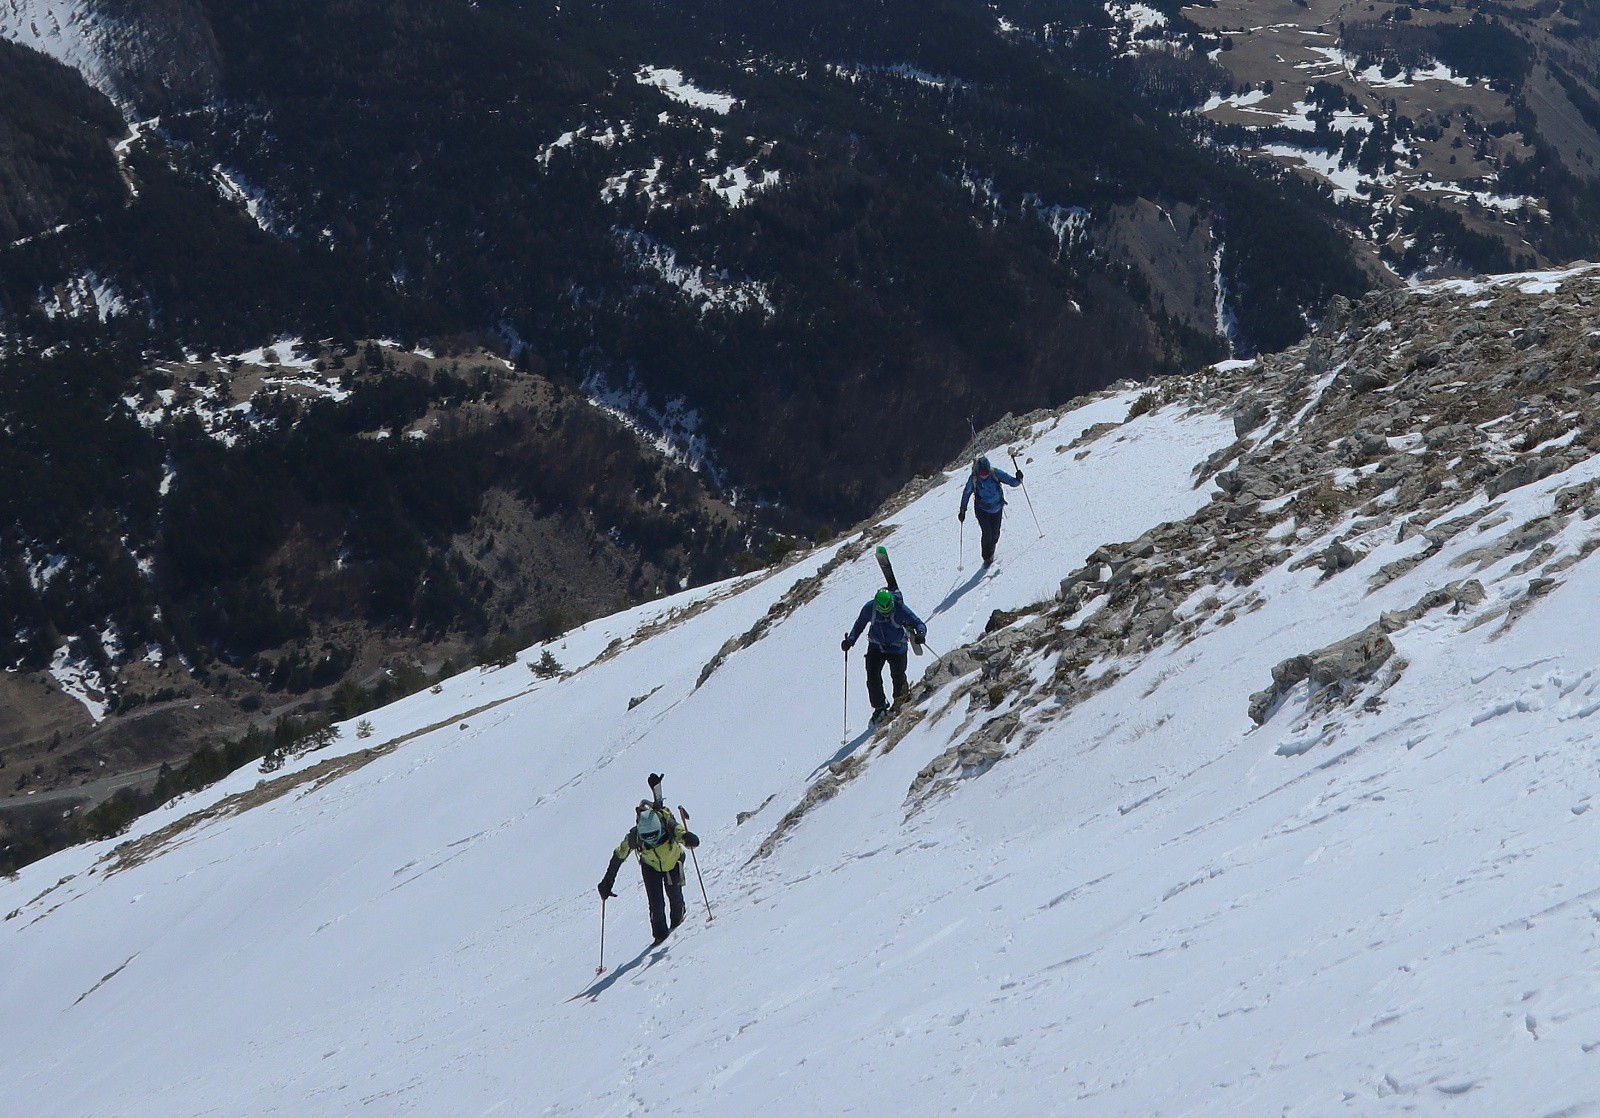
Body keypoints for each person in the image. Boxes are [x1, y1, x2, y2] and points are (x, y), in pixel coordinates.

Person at [598, 787, 700, 945]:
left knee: (674, 893)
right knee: (655, 902)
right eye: (647, 838)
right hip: (650, 867)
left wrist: (688, 838)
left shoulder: (666, 823)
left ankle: (678, 918)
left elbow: (679, 832)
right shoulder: (634, 837)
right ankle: (660, 935)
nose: (651, 841)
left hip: (672, 861)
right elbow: (619, 855)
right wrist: (607, 882)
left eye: (655, 837)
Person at [841, 587, 927, 724]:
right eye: (884, 612)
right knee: (872, 677)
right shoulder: (870, 608)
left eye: (889, 611)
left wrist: (921, 634)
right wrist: (850, 640)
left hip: (896, 648)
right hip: (877, 647)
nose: (887, 615)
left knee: (898, 676)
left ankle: (900, 701)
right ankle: (880, 707)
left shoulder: (900, 608)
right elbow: (859, 625)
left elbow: (918, 623)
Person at [958, 455, 1022, 566]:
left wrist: (1018, 479)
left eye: (985, 473)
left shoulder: (995, 473)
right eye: (982, 474)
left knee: (995, 533)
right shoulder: (974, 478)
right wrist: (963, 509)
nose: (984, 476)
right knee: (987, 533)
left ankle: (991, 549)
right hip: (982, 509)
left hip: (996, 507)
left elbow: (1011, 481)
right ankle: (987, 557)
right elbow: (967, 493)